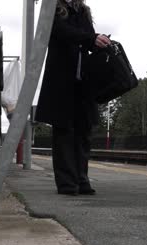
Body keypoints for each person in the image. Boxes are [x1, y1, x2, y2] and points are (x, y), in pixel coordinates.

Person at [35, 0, 111, 196]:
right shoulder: (53, 9)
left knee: (83, 132)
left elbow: (87, 40)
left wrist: (101, 42)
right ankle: (67, 183)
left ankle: (81, 180)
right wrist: (91, 38)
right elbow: (62, 33)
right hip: (61, 81)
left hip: (83, 82)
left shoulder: (83, 11)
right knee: (64, 132)